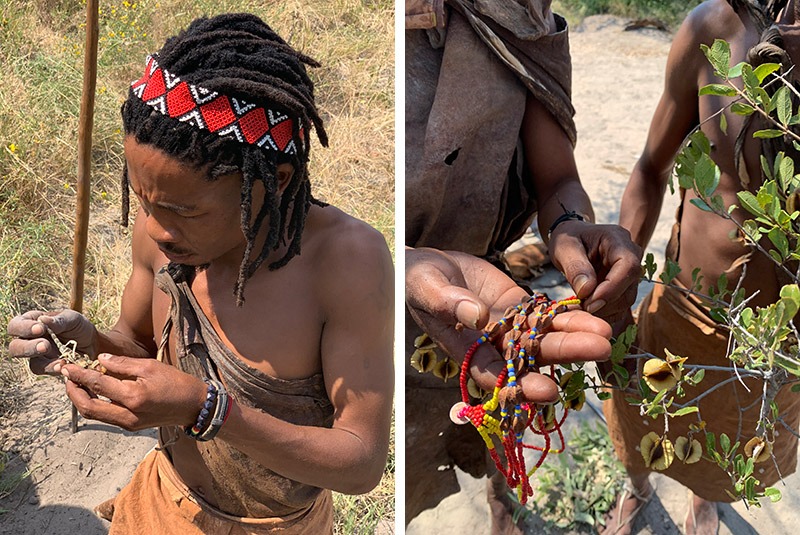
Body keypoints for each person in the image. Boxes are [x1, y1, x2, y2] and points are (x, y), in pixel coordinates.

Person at [7, 13, 393, 534]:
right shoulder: (161, 232)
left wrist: (207, 409)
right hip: (162, 505)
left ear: (273, 182)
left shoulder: (345, 264)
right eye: (143, 201)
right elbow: (138, 344)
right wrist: (87, 343)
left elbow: (362, 461)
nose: (156, 229)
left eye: (183, 211)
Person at [404, 1, 642, 532]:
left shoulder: (518, 12)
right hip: (383, 286)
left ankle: (501, 504)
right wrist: (401, 262)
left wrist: (571, 223)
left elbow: (556, 179)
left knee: (505, 408)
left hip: (486, 289)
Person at [608, 1, 800, 533]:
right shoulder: (715, 28)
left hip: (777, 342)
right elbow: (651, 167)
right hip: (681, 307)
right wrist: (620, 279)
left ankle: (705, 501)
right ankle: (637, 489)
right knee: (638, 411)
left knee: (729, 446)